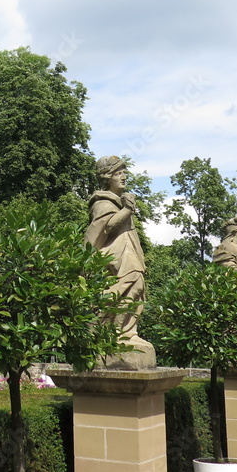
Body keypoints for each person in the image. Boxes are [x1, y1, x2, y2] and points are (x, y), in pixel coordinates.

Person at [84, 155, 154, 366]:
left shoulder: (118, 201)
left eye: (124, 172)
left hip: (128, 250)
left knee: (137, 287)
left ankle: (128, 331)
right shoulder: (102, 201)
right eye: (118, 173)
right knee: (129, 285)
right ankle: (113, 331)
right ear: (107, 177)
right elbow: (107, 226)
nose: (124, 177)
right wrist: (127, 210)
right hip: (116, 254)